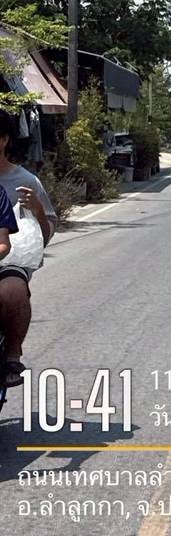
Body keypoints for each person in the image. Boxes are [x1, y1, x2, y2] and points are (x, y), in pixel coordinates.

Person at [0, 110, 56, 386]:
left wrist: (38, 211)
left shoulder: (26, 183)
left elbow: (44, 235)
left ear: (4, 140)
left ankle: (12, 353)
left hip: (10, 259)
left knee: (12, 290)